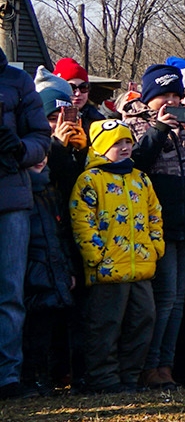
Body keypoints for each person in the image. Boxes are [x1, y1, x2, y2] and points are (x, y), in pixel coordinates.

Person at [123, 61, 185, 390]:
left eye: (176, 96)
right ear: (149, 98)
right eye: (163, 95)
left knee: (178, 300)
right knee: (162, 299)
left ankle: (166, 365)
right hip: (155, 225)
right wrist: (159, 129)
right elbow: (134, 163)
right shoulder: (134, 125)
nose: (171, 102)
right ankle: (148, 366)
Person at [69, 120, 163, 395]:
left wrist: (156, 247)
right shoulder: (90, 179)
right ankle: (103, 378)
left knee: (143, 320)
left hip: (141, 267)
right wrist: (95, 255)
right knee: (105, 326)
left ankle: (129, 377)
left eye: (128, 142)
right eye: (116, 143)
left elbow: (154, 214)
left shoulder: (140, 178)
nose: (124, 148)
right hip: (108, 270)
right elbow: (82, 219)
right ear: (100, 147)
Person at [0, 51, 53, 398]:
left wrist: (20, 149)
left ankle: (8, 376)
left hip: (10, 200)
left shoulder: (17, 81)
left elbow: (41, 136)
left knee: (9, 293)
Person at [21, 140, 75, 394]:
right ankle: (30, 376)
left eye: (44, 155)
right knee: (31, 327)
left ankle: (46, 375)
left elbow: (60, 233)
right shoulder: (19, 191)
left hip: (52, 267)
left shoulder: (51, 190)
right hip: (31, 268)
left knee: (49, 325)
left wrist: (68, 270)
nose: (40, 160)